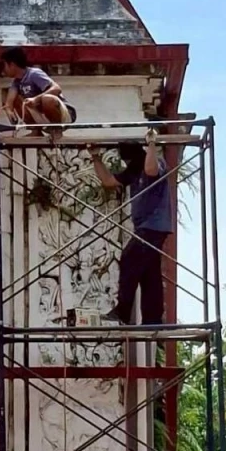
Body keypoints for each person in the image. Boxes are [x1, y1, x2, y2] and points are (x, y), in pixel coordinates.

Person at [89, 130, 173, 325]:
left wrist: (151, 145)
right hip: (147, 227)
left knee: (129, 259)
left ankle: (123, 311)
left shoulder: (153, 162)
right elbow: (109, 181)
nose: (126, 163)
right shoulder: (134, 169)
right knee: (148, 272)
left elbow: (151, 170)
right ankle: (152, 319)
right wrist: (95, 158)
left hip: (153, 226)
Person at [1, 47, 77, 136]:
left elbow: (57, 88)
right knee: (19, 100)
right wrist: (9, 110)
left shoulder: (34, 74)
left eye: (5, 65)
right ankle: (36, 131)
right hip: (42, 116)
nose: (4, 69)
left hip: (62, 114)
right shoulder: (17, 82)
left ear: (12, 65)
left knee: (47, 99)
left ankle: (57, 130)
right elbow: (9, 100)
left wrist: (36, 99)